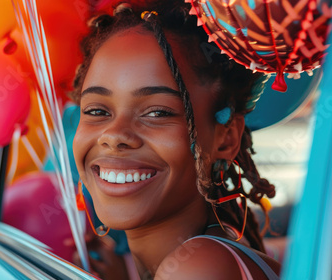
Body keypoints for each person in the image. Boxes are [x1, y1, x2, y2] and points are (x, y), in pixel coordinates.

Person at [70, 1, 281, 279]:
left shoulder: (198, 269)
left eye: (157, 112)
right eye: (97, 111)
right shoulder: (201, 259)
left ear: (226, 138)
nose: (114, 135)